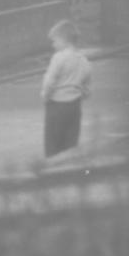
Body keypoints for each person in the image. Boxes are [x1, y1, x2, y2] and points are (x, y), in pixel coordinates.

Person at [40, 19, 92, 158]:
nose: (53, 45)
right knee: (70, 145)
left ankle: (52, 173)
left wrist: (45, 96)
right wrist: (80, 93)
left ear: (64, 40)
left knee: (53, 144)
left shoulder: (58, 57)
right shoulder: (84, 60)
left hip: (56, 105)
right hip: (75, 107)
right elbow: (87, 88)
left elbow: (49, 81)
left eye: (55, 41)